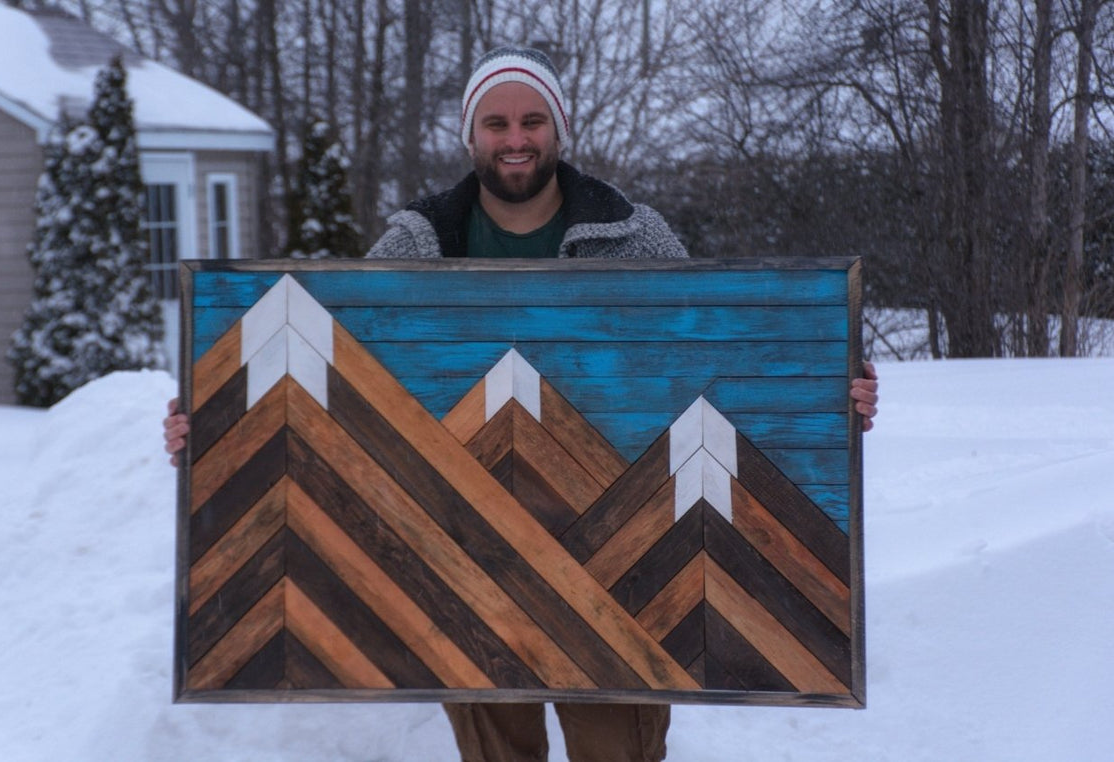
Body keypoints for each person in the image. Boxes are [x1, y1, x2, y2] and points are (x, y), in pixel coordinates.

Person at [164, 45, 879, 762]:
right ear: (470, 135)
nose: (515, 139)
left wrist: (828, 393)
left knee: (617, 752)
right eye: (496, 122)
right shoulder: (416, 244)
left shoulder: (635, 234)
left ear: (559, 130)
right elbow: (338, 363)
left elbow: (717, 356)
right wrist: (213, 426)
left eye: (532, 120)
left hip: (617, 566)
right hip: (458, 556)